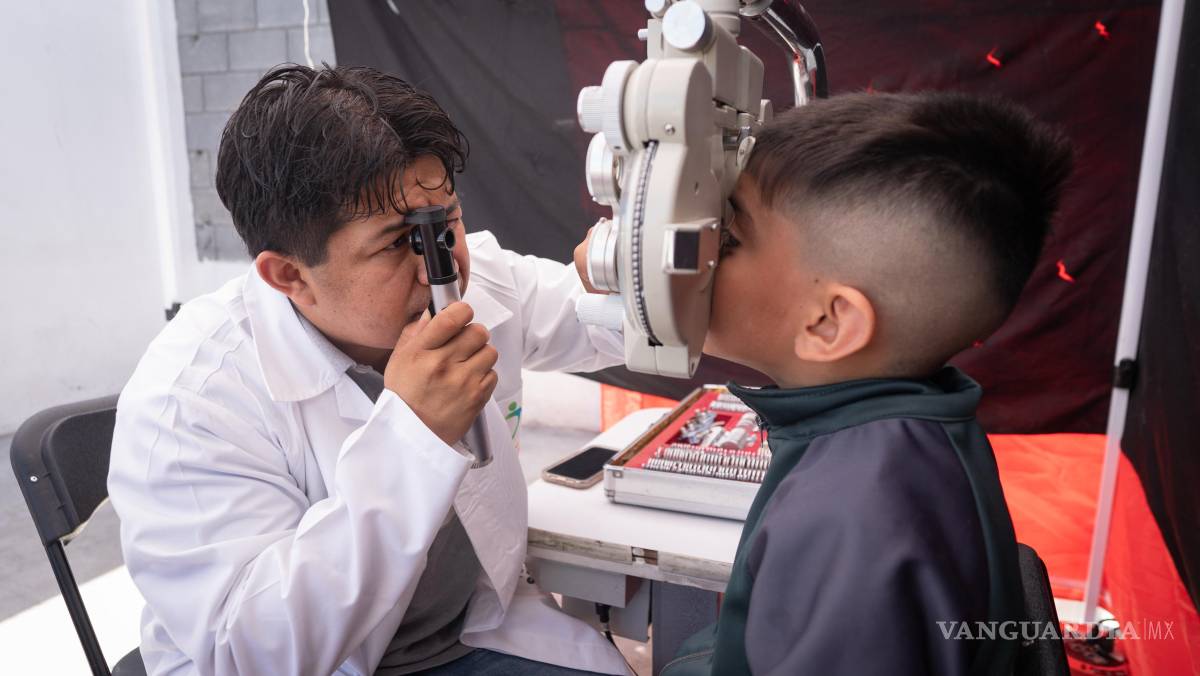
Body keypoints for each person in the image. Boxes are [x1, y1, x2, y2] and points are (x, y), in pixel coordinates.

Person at [108, 65, 631, 675]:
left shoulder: (470, 279)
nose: (443, 270)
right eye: (394, 242)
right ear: (290, 276)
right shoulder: (190, 400)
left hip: (467, 636)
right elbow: (251, 648)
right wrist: (413, 437)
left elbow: (601, 318)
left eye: (447, 219)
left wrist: (637, 275)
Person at [655, 92, 1073, 675]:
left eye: (730, 240)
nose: (700, 255)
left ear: (828, 324)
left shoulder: (852, 525)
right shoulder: (903, 431)